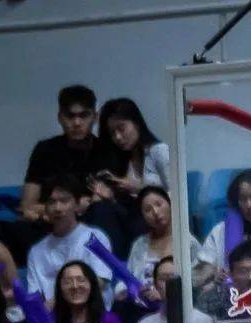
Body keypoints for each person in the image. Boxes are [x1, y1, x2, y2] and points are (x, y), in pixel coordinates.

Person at [21, 84, 126, 226]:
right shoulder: (44, 150)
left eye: (84, 115)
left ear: (95, 117)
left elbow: (115, 202)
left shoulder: (108, 152)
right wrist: (72, 207)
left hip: (94, 224)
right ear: (60, 118)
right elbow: (27, 206)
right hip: (50, 225)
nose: (77, 123)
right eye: (70, 116)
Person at [24, 177, 114, 304]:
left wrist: (57, 303)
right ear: (45, 208)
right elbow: (34, 295)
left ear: (77, 205)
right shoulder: (36, 251)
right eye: (51, 202)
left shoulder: (95, 237)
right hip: (53, 314)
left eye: (64, 201)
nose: (58, 208)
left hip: (92, 310)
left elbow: (101, 280)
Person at [195, 170, 251, 294]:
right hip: (227, 298)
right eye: (242, 199)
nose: (249, 205)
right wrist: (213, 274)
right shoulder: (220, 231)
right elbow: (198, 275)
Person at [99, 97, 170, 196]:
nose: (117, 137)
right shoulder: (122, 160)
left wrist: (139, 188)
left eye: (122, 128)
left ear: (137, 123)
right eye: (112, 133)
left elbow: (178, 193)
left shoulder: (159, 150)